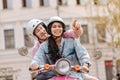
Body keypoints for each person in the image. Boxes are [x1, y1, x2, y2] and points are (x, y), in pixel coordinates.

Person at [30, 16, 98, 80]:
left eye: (59, 26)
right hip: (53, 75)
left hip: (75, 73)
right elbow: (38, 57)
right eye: (54, 27)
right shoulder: (43, 46)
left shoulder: (71, 40)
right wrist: (34, 64)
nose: (57, 29)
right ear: (50, 29)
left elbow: (83, 53)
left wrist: (85, 64)